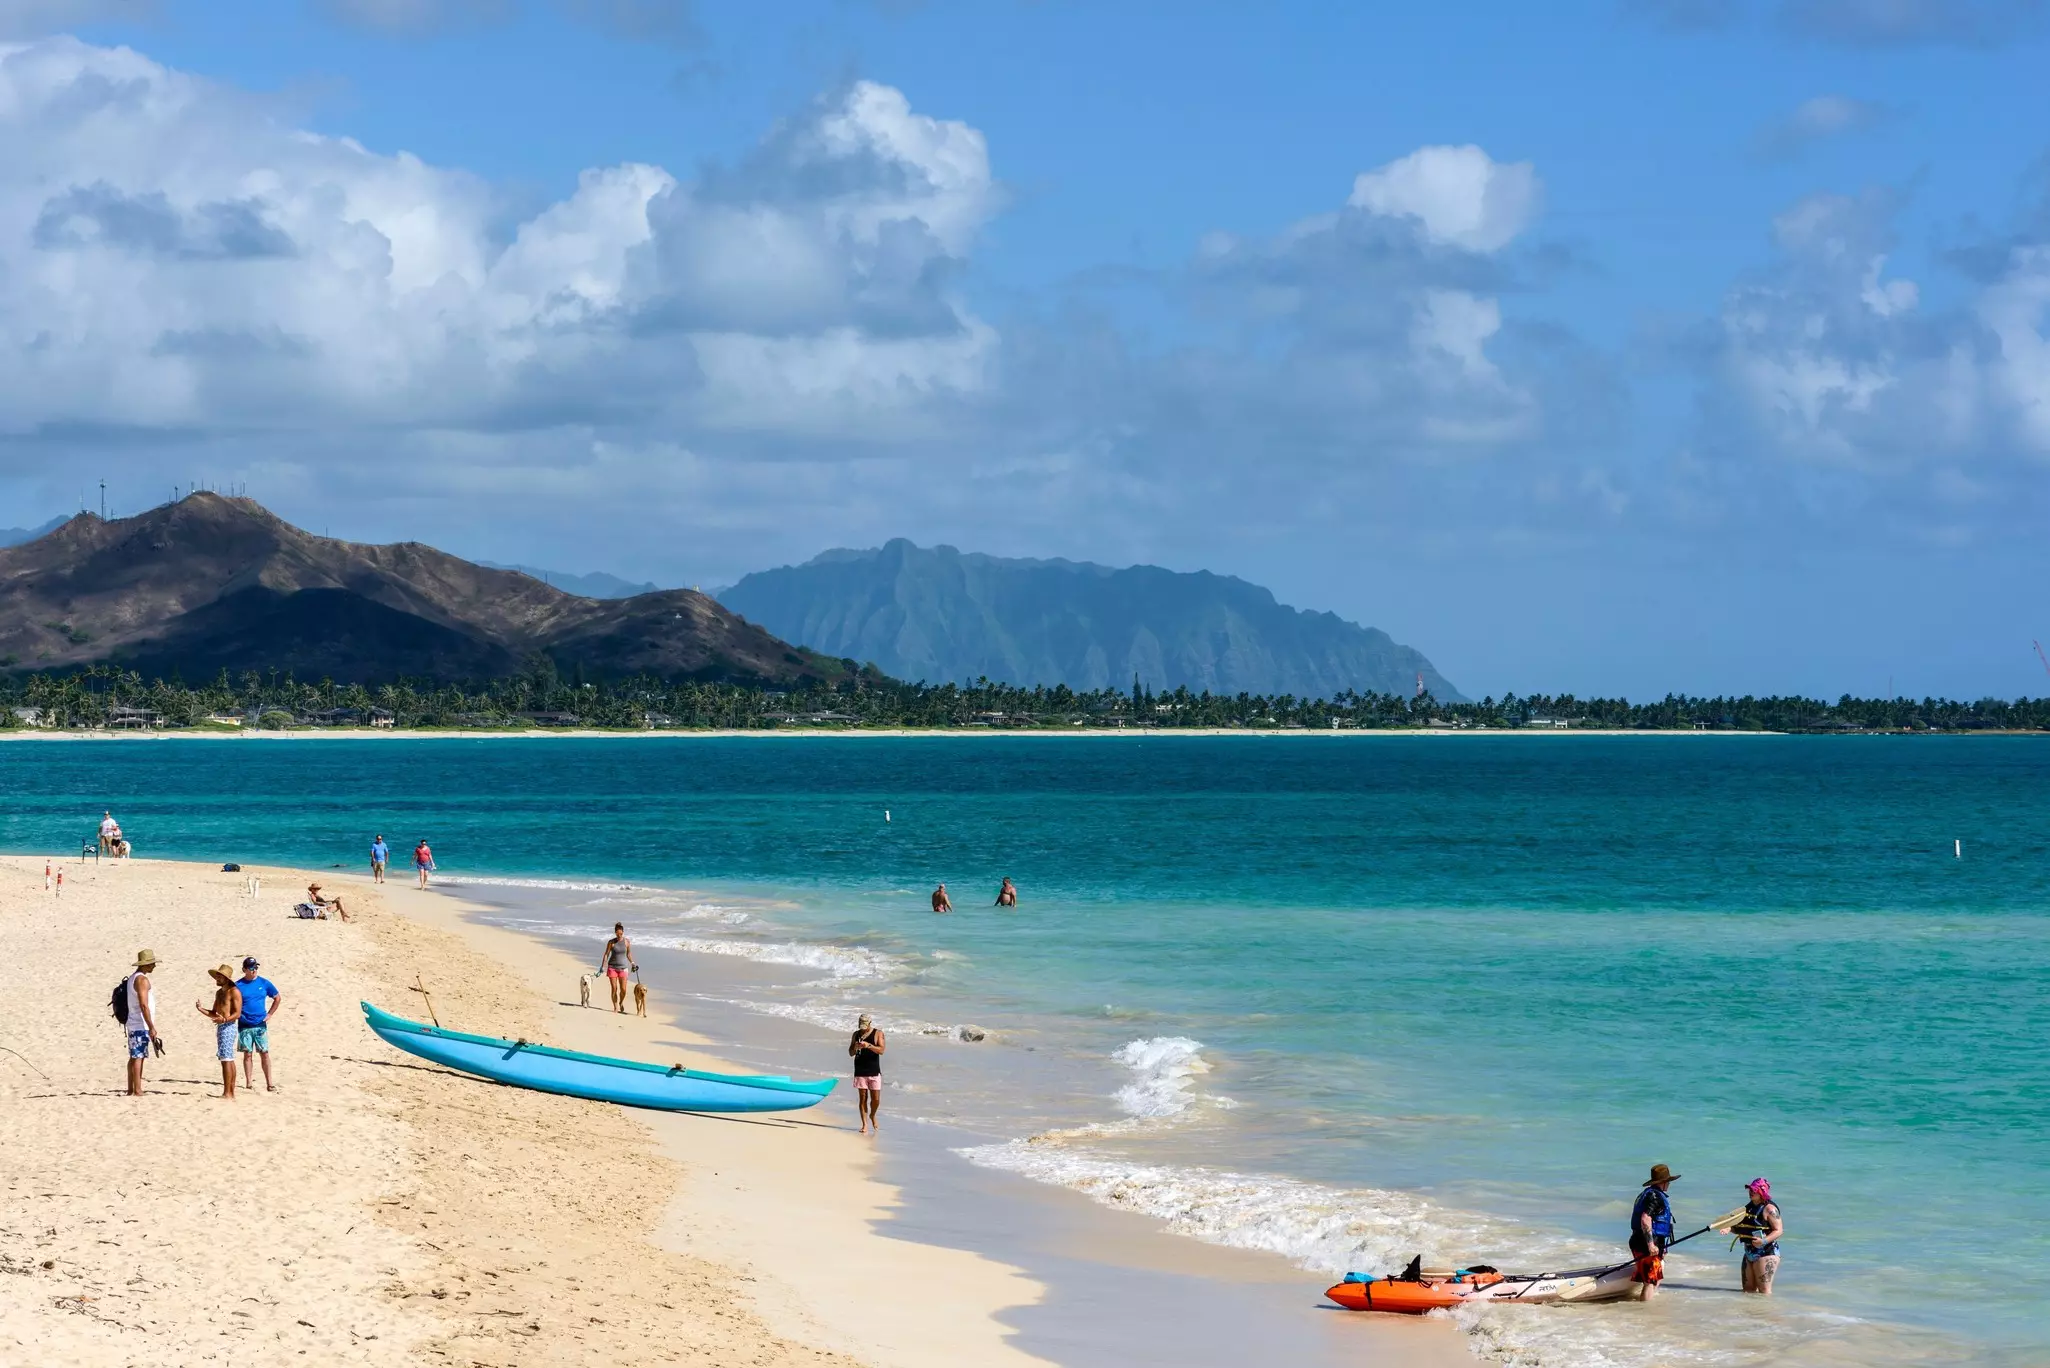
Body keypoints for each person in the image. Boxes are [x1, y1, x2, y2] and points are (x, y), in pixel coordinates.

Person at [1630, 1164, 1679, 1300]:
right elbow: (1645, 1219)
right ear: (1663, 1182)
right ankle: (1645, 1313)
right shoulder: (1655, 1197)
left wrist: (1663, 1246)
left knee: (1655, 1277)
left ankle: (1647, 1303)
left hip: (1640, 1241)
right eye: (1668, 1181)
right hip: (1645, 1243)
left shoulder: (1649, 1194)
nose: (1669, 1184)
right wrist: (1651, 1244)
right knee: (1650, 1282)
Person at [195, 964, 242, 1099]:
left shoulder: (234, 991)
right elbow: (214, 1013)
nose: (216, 978)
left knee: (226, 1059)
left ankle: (228, 1092)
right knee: (227, 1058)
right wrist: (201, 1009)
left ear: (226, 978)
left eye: (219, 976)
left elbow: (237, 1013)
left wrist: (225, 1020)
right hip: (222, 1026)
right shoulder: (219, 993)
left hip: (229, 1026)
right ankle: (230, 1092)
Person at [236, 957, 282, 1093]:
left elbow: (277, 997)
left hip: (260, 1024)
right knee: (247, 1054)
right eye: (251, 968)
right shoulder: (238, 985)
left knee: (264, 1053)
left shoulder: (264, 983)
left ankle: (270, 1083)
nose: (254, 970)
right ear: (244, 969)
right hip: (244, 1024)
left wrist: (270, 1014)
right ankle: (249, 1083)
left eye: (256, 967)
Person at [122, 950, 161, 1096]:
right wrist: (151, 1026)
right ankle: (137, 1090)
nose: (154, 966)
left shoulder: (133, 978)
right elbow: (144, 1005)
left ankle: (131, 1089)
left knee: (134, 1056)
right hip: (140, 1023)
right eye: (152, 963)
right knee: (139, 1056)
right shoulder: (142, 980)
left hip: (133, 1022)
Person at [1736, 1177, 1783, 1295]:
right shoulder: (1747, 1208)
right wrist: (1727, 1227)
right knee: (1748, 1291)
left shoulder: (1770, 1209)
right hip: (1749, 1252)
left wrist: (1763, 1241)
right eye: (1750, 1189)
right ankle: (1750, 1313)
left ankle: (1765, 1313)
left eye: (1754, 1190)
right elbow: (1740, 1228)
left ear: (1762, 1192)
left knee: (1764, 1292)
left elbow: (1778, 1230)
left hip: (1766, 1253)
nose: (1751, 1192)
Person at [849, 1013, 885, 1134]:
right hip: (860, 1070)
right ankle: (864, 1124)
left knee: (876, 1100)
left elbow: (881, 1050)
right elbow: (850, 1053)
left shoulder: (878, 1033)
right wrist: (856, 1047)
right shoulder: (856, 1034)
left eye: (865, 1025)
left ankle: (872, 1115)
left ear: (870, 1023)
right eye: (861, 1025)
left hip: (874, 1070)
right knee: (863, 1098)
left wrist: (868, 1045)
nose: (863, 1028)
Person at [598, 923, 636, 1013]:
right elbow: (606, 954)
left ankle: (621, 1002)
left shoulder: (627, 942)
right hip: (612, 968)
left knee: (623, 989)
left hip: (623, 968)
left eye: (621, 933)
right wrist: (603, 966)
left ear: (623, 932)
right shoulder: (611, 942)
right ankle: (615, 1007)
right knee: (614, 988)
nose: (619, 935)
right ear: (615, 933)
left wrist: (632, 963)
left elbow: (628, 954)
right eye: (618, 934)